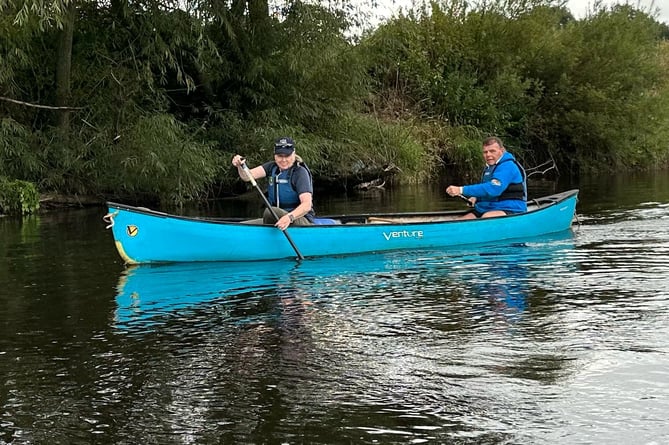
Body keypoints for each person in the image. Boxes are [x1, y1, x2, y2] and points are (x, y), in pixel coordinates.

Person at [231, 137, 314, 230]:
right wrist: (240, 166)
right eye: (280, 156)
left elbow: (307, 205)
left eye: (287, 156)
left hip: (298, 220)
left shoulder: (299, 172)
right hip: (276, 220)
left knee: (270, 212)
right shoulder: (272, 167)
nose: (283, 160)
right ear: (275, 155)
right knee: (239, 226)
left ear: (293, 154)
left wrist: (289, 217)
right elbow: (247, 176)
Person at [445, 136, 527, 219]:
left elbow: (493, 189)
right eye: (485, 152)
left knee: (486, 217)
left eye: (492, 151)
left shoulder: (508, 166)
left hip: (510, 207)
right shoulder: (490, 167)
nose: (488, 155)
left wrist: (461, 190)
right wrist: (477, 198)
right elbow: (486, 189)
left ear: (501, 151)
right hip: (489, 207)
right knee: (463, 220)